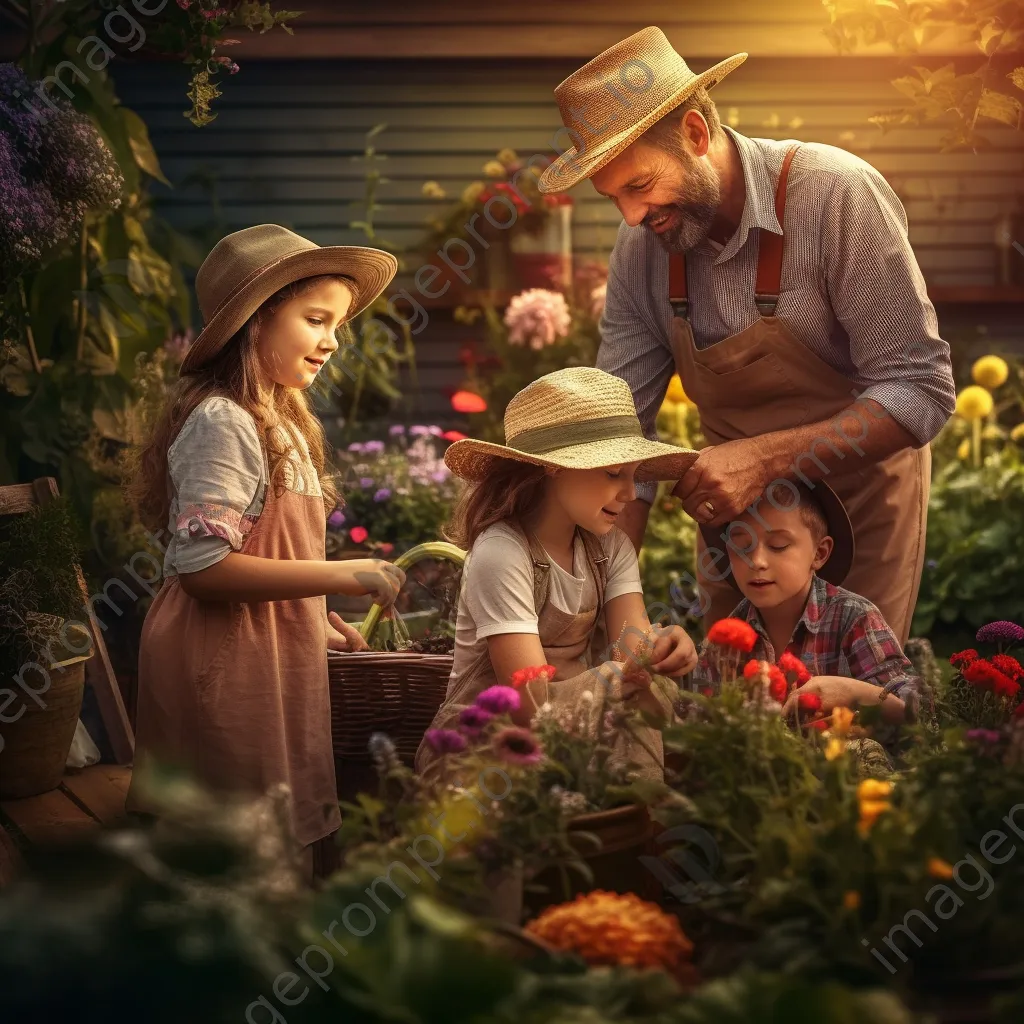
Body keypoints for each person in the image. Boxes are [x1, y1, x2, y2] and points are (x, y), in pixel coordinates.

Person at [536, 26, 955, 643]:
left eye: (640, 185)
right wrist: (604, 594)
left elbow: (921, 390)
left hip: (858, 503)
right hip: (734, 526)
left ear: (697, 135)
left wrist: (765, 458)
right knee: (735, 717)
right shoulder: (643, 247)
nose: (630, 217)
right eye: (612, 198)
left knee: (844, 710)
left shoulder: (836, 195)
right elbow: (619, 435)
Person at [126, 224, 407, 865]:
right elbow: (204, 568)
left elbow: (274, 553)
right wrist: (343, 575)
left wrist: (314, 619)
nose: (332, 340)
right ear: (256, 321)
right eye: (316, 319)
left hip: (269, 651)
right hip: (222, 662)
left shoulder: (277, 420)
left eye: (337, 325)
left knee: (273, 836)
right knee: (235, 844)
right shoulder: (223, 422)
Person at [414, 366, 700, 774]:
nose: (631, 493)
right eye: (614, 473)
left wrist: (661, 649)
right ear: (553, 466)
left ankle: (640, 823)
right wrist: (626, 674)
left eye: (635, 475)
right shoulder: (502, 551)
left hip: (577, 732)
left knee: (650, 693)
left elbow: (630, 651)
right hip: (491, 748)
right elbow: (528, 708)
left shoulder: (610, 546)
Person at [693, 478, 918, 723]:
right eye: (741, 546)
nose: (756, 561)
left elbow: (916, 709)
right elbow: (696, 720)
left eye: (778, 546)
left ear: (819, 553)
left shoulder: (854, 618)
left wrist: (850, 692)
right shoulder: (727, 638)